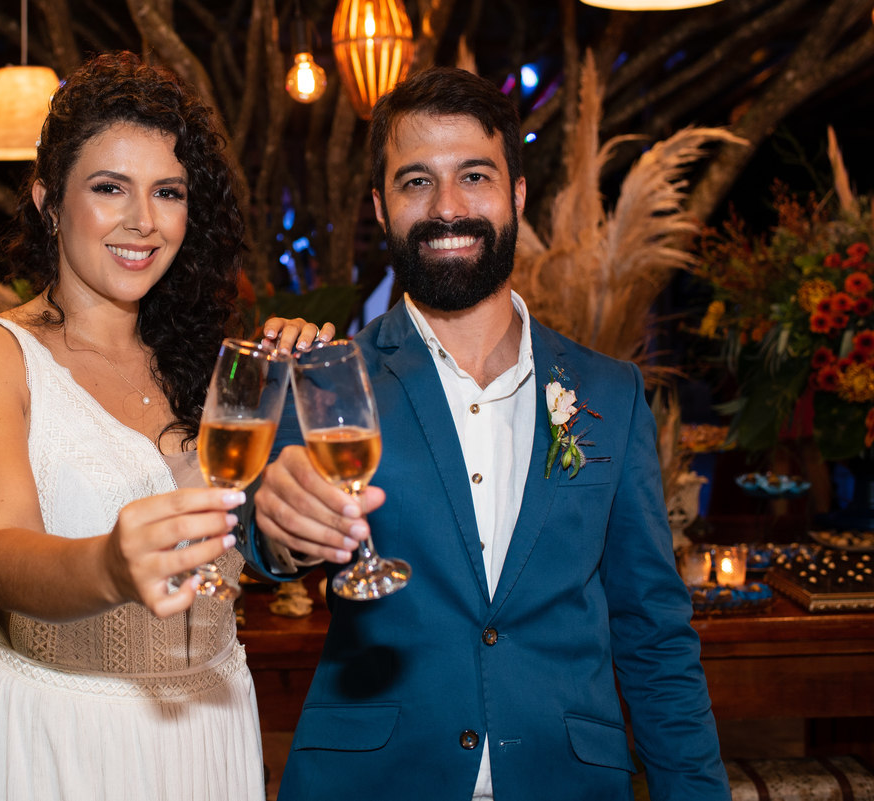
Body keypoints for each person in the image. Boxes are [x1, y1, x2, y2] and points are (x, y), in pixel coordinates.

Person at [241, 68, 731, 800]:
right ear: (380, 206)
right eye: (416, 182)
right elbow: (264, 533)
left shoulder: (610, 392)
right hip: (374, 781)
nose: (448, 208)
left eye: (474, 176)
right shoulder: (327, 377)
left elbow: (653, 632)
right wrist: (281, 530)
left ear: (517, 196)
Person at [0, 52, 331, 800]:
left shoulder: (208, 362)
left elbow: (251, 544)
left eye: (167, 192)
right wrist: (111, 566)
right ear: (49, 201)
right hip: (58, 735)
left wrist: (300, 421)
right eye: (110, 187)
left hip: (209, 723)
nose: (143, 220)